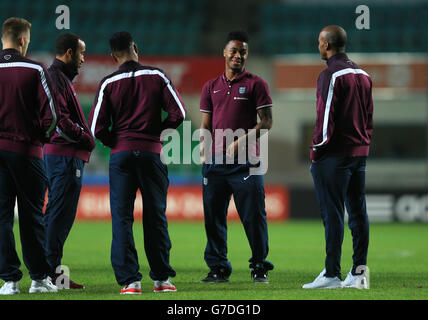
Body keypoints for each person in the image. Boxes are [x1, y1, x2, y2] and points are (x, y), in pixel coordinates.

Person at [89, 31, 185, 294]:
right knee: (155, 216)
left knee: (122, 218)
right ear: (135, 48)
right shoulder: (157, 75)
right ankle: (162, 279)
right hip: (151, 154)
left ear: (113, 56)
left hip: (121, 157)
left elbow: (96, 127)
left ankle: (130, 282)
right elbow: (179, 112)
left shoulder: (108, 82)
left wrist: (116, 142)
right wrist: (157, 133)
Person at [199, 30, 274, 284]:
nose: (238, 55)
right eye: (234, 50)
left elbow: (267, 122)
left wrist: (241, 140)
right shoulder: (210, 86)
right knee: (214, 218)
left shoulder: (257, 84)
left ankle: (259, 266)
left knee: (253, 217)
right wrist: (203, 148)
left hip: (247, 163)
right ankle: (218, 268)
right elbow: (206, 125)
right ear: (224, 52)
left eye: (243, 52)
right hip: (215, 163)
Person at [302, 25, 373, 289]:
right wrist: (364, 144)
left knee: (332, 213)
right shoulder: (364, 75)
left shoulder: (330, 74)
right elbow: (368, 117)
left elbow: (325, 116)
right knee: (358, 213)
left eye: (319, 42)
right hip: (359, 153)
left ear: (326, 45)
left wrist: (316, 149)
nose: (318, 46)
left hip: (333, 155)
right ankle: (359, 274)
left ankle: (331, 273)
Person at [0, 17, 59, 295]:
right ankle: (39, 279)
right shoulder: (36, 68)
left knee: (1, 218)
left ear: (4, 38)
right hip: (27, 153)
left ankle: (9, 281)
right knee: (32, 216)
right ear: (23, 40)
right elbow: (52, 116)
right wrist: (40, 138)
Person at [43, 33, 95, 290]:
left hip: (62, 155)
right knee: (59, 215)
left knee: (57, 214)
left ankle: (49, 272)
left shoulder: (60, 78)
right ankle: (49, 274)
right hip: (64, 155)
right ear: (69, 53)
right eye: (82, 53)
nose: (84, 59)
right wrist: (86, 138)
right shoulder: (56, 78)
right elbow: (60, 121)